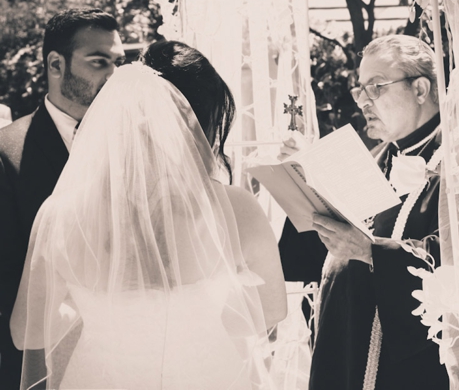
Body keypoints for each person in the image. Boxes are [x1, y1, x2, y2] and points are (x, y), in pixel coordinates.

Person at [10, 40, 287, 389]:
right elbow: (272, 310)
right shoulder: (238, 209)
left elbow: (26, 333)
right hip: (209, 375)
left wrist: (97, 311)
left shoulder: (61, 213)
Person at [279, 34, 449, 389]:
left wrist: (372, 253)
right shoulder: (370, 163)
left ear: (420, 88)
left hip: (414, 367)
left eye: (376, 87)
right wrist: (303, 181)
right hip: (348, 353)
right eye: (360, 90)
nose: (363, 103)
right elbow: (313, 262)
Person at [0, 8, 124, 388]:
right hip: (36, 368)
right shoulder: (8, 154)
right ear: (56, 64)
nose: (113, 76)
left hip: (125, 361)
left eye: (117, 63)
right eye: (100, 62)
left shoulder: (129, 149)